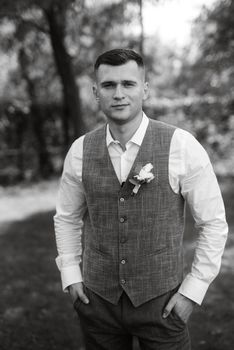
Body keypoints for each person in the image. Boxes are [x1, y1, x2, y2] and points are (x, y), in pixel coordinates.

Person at [54, 48, 228, 350]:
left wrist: (191, 292)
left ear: (144, 89)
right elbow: (67, 217)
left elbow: (213, 224)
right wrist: (71, 276)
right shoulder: (80, 151)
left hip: (162, 304)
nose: (118, 93)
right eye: (108, 85)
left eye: (128, 84)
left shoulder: (181, 146)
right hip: (97, 302)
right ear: (96, 92)